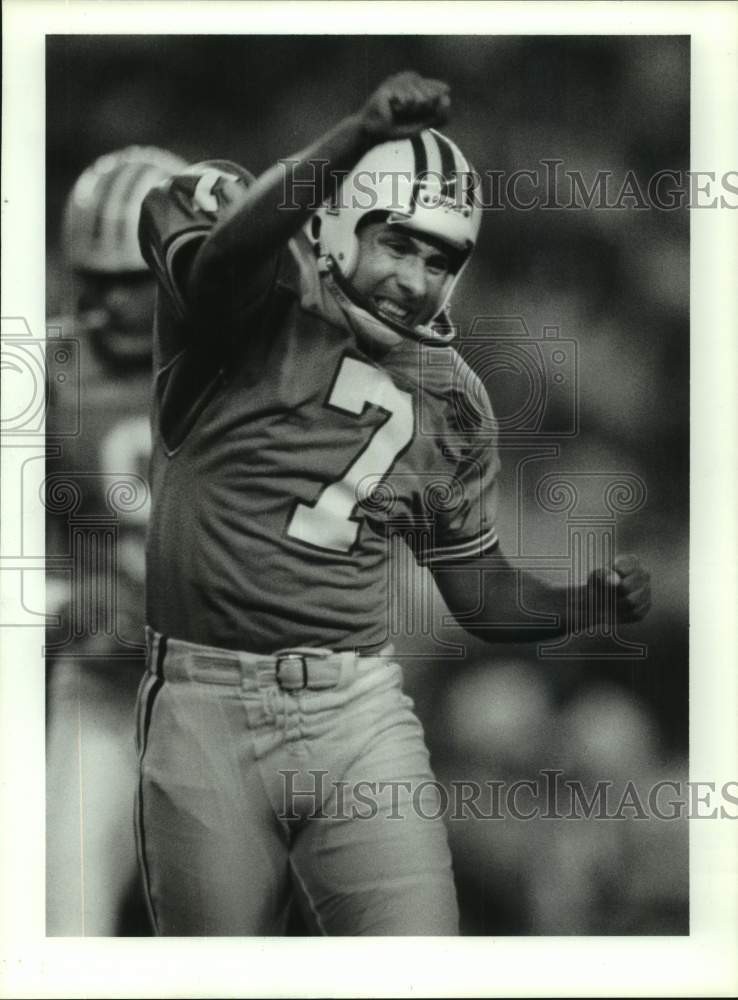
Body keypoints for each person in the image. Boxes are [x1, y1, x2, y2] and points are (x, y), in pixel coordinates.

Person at [135, 72, 651, 936]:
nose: (412, 279)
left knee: (417, 964)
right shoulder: (259, 300)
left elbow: (478, 593)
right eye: (397, 244)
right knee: (210, 973)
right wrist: (356, 136)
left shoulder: (453, 398)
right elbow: (219, 260)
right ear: (338, 219)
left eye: (438, 261)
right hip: (205, 701)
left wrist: (581, 605)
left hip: (357, 708)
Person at [45, 146, 187, 935]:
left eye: (130, 280)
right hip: (107, 688)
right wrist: (64, 597)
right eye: (92, 280)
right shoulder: (47, 372)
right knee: (66, 913)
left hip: (240, 697)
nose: (106, 303)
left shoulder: (261, 370)